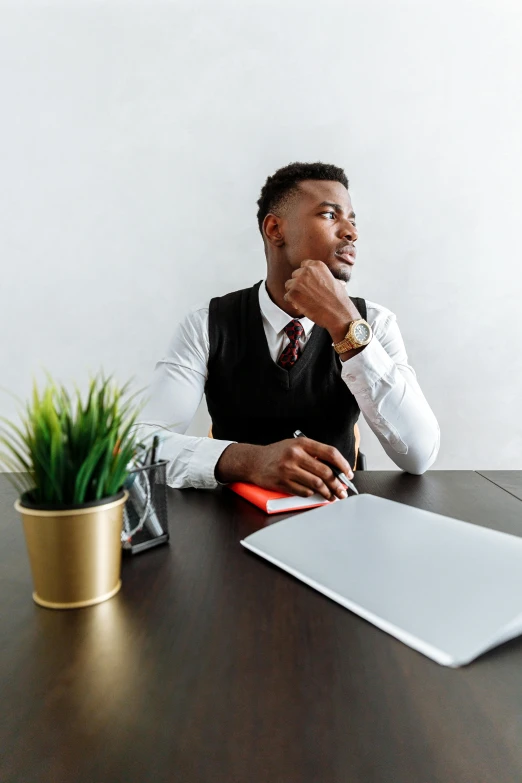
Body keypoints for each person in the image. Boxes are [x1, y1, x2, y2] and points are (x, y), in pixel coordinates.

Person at [137, 162, 440, 501]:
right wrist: (249, 460)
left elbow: (419, 455)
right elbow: (141, 446)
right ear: (275, 229)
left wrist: (345, 325)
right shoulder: (206, 324)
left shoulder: (376, 324)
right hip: (228, 522)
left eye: (353, 220)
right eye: (330, 215)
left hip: (338, 516)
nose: (351, 232)